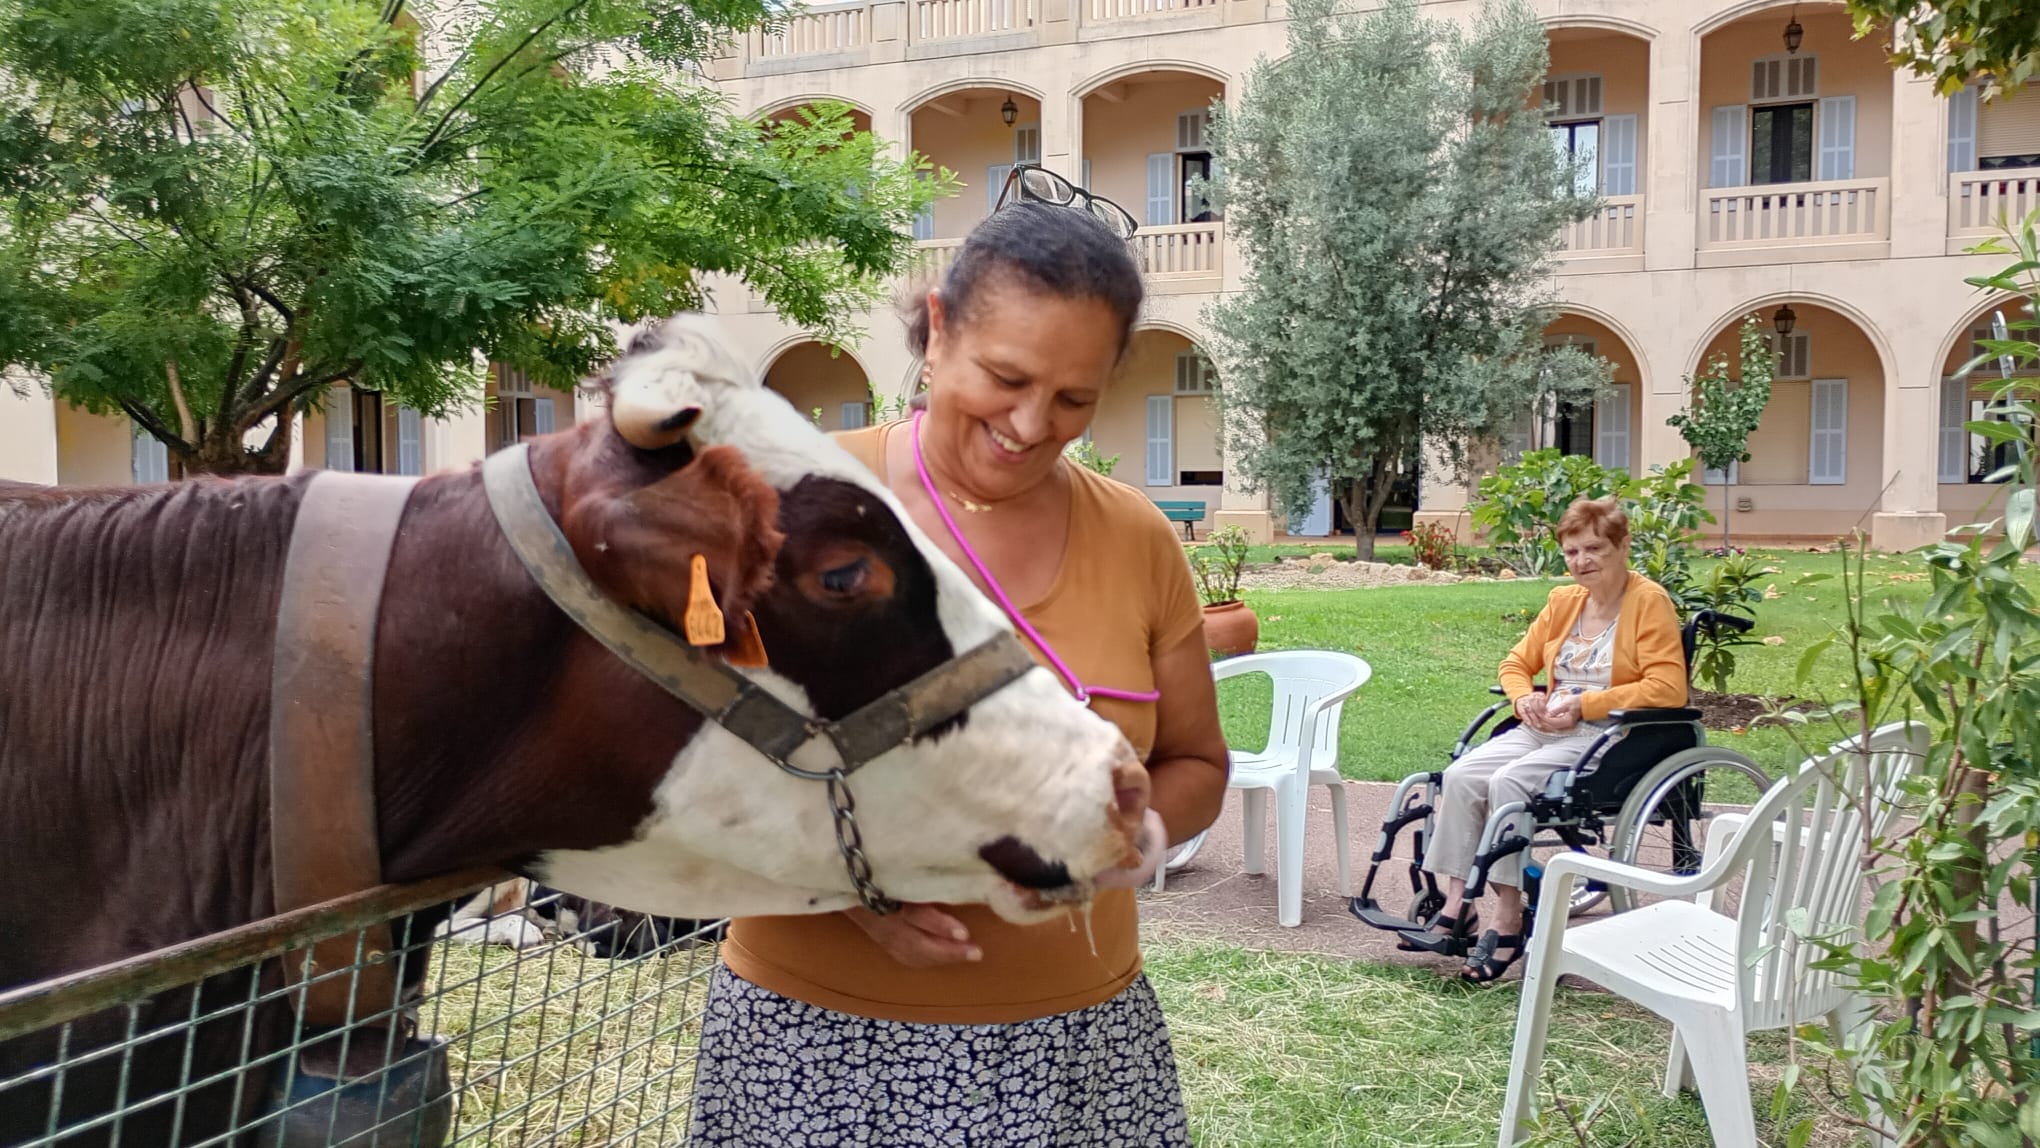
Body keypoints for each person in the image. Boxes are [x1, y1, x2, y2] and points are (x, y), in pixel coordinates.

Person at [687, 199, 1231, 1145]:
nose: (1029, 424)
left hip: (1074, 1045)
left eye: (1073, 399)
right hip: (815, 1046)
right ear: (937, 331)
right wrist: (857, 891)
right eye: (1005, 377)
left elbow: (1197, 763)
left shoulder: (1139, 540)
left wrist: (1134, 838)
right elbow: (684, 759)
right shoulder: (779, 507)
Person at [1397, 497, 1686, 983]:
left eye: (1593, 548)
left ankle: (1508, 918)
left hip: (1607, 733)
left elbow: (1668, 687)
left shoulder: (1648, 601)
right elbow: (1515, 665)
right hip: (1543, 727)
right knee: (1462, 775)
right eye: (1572, 552)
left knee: (1510, 784)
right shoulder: (1563, 602)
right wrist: (1522, 700)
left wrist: (1584, 704)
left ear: (1622, 546)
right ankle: (1455, 906)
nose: (1582, 562)